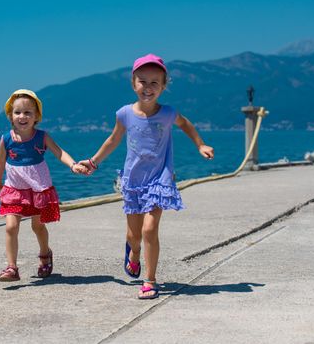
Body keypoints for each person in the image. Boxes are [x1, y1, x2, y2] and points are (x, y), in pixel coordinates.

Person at [80, 54, 214, 299]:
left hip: (159, 179)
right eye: (143, 81)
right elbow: (113, 140)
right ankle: (133, 252)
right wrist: (93, 162)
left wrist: (200, 145)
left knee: (150, 229)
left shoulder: (168, 113)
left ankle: (150, 280)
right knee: (134, 235)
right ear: (134, 84)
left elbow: (186, 125)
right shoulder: (124, 114)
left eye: (155, 82)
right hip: (133, 181)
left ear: (164, 86)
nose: (148, 87)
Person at [0, 89, 88, 282]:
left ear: (36, 116)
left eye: (28, 112)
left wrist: (73, 165)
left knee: (38, 226)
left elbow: (59, 152)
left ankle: (45, 255)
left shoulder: (41, 137)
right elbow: (0, 162)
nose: (22, 116)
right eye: (18, 112)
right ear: (10, 115)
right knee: (11, 226)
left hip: (37, 188)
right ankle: (12, 267)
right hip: (14, 189)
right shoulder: (6, 139)